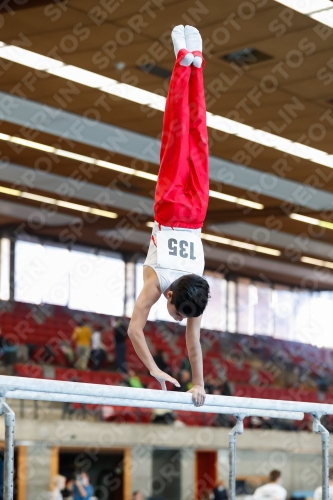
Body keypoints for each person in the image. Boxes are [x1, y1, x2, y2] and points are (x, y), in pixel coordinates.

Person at [128, 25, 210, 407]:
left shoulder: (194, 290)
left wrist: (198, 383)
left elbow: (193, 341)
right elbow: (134, 330)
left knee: (195, 138)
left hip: (195, 212)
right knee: (180, 133)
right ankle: (185, 63)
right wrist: (155, 369)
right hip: (176, 208)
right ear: (173, 293)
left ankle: (193, 66)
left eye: (178, 315)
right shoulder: (159, 284)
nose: (177, 318)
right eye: (178, 313)